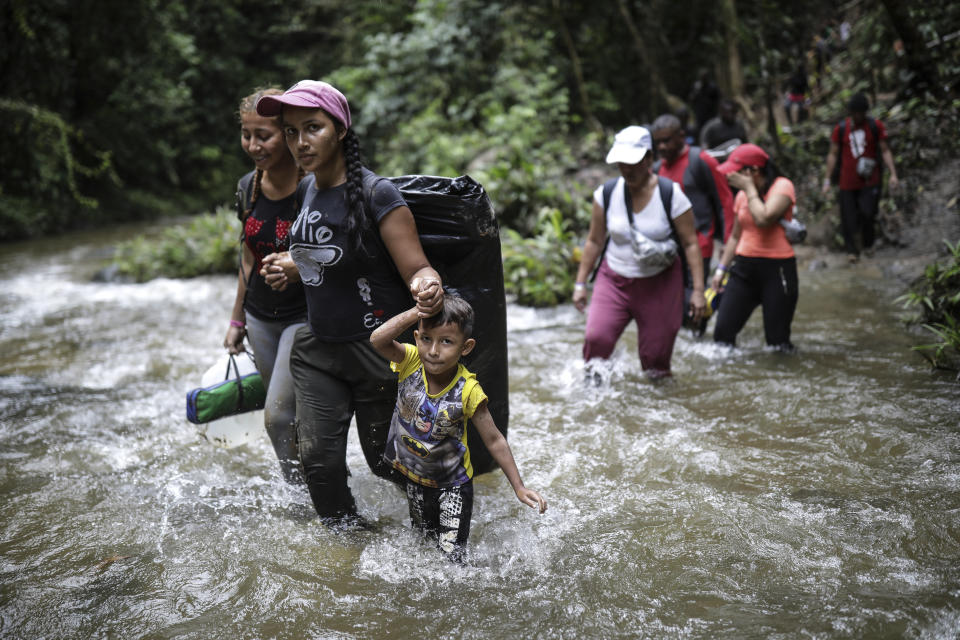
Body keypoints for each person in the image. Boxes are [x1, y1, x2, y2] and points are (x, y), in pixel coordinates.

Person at [255, 80, 444, 526]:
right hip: (319, 348)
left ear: (339, 130)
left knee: (385, 463)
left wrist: (428, 284)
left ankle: (438, 530)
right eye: (291, 131)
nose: (300, 142)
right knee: (319, 467)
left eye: (312, 128)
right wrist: (293, 267)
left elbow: (417, 266)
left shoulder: (379, 195)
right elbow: (326, 257)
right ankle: (351, 563)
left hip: (377, 351)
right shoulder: (305, 191)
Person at [370, 293, 546, 562]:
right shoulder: (411, 361)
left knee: (452, 559)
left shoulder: (468, 390)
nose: (434, 351)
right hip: (415, 480)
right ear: (417, 337)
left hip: (452, 488)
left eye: (447, 342)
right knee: (422, 546)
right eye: (427, 339)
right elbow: (377, 339)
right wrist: (418, 311)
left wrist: (519, 487)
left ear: (466, 347)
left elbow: (495, 439)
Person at [573, 126, 706, 379]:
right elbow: (594, 240)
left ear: (649, 159)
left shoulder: (670, 194)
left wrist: (698, 291)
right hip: (614, 280)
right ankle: (592, 399)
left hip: (661, 284)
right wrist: (580, 283)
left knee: (655, 361)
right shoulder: (607, 194)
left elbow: (690, 243)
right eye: (621, 162)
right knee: (596, 340)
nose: (626, 168)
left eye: (632, 162)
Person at [224, 87, 306, 484]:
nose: (253, 145)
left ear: (289, 134)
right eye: (246, 134)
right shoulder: (247, 187)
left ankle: (307, 492)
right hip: (259, 317)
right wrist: (236, 321)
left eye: (265, 135)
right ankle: (300, 488)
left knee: (277, 414)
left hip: (305, 316)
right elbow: (248, 257)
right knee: (285, 417)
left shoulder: (313, 186)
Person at [652, 113, 735, 334]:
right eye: (657, 142)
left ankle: (698, 337)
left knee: (693, 300)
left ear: (681, 136)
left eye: (667, 140)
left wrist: (728, 241)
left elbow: (725, 201)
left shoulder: (700, 160)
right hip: (668, 248)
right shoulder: (656, 168)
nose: (662, 146)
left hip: (699, 244)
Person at [711, 143, 798, 351]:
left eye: (737, 171)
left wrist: (749, 188)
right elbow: (735, 236)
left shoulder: (782, 186)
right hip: (743, 270)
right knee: (722, 334)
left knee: (777, 343)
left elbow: (764, 218)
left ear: (752, 171)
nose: (731, 176)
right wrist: (721, 270)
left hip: (777, 271)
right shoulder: (742, 196)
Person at [821, 92, 900, 263]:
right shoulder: (841, 129)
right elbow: (833, 154)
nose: (858, 116)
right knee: (848, 217)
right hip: (847, 182)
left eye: (861, 113)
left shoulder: (875, 126)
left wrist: (893, 174)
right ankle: (852, 251)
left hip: (870, 180)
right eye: (855, 112)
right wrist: (827, 180)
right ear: (850, 112)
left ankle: (868, 245)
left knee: (868, 213)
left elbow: (885, 150)